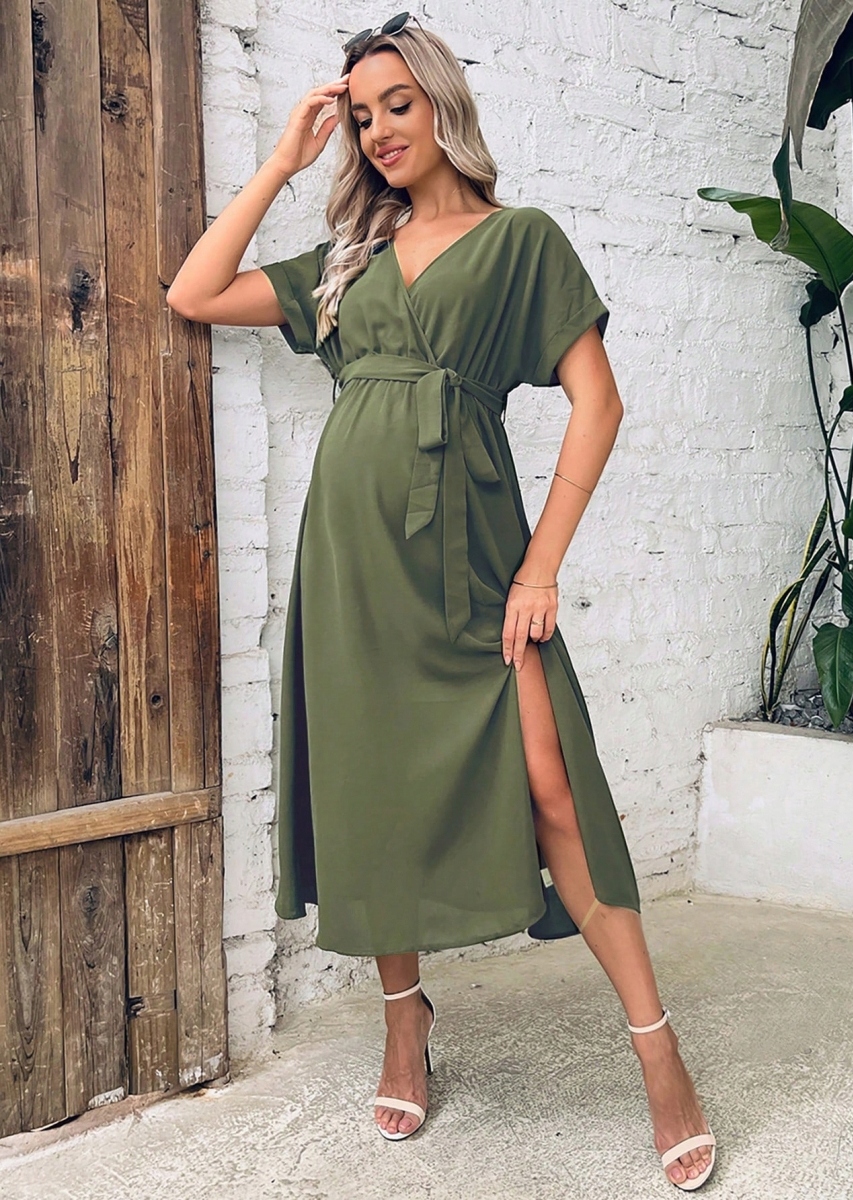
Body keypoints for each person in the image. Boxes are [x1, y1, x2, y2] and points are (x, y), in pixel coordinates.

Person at [166, 13, 716, 1190]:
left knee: (554, 790)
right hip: (354, 567)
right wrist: (285, 158)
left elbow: (599, 403)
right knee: (377, 799)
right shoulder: (347, 262)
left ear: (441, 104)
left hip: (474, 557)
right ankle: (404, 1024)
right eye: (361, 117)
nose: (377, 131)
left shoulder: (520, 242)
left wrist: (539, 568)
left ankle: (657, 1049)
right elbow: (194, 292)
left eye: (396, 105)